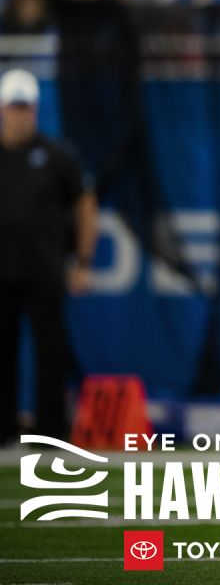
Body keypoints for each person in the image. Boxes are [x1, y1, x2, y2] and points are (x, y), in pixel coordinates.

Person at [0, 68, 97, 444]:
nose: (20, 115)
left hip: (44, 270)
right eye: (14, 107)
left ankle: (50, 429)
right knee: (2, 352)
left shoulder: (57, 156)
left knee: (50, 351)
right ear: (2, 109)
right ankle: (4, 426)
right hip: (1, 271)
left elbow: (86, 204)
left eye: (26, 108)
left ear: (36, 110)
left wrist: (83, 261)